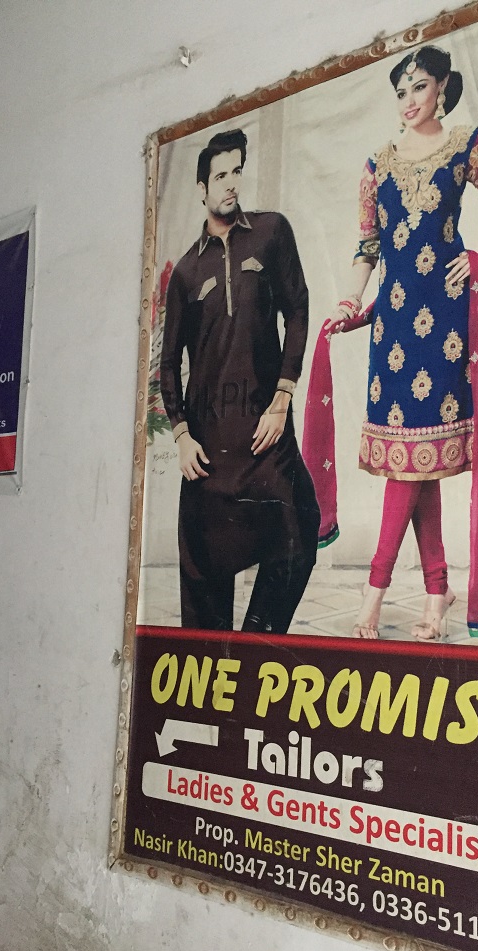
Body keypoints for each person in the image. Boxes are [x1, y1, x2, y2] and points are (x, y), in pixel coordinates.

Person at [325, 47, 478, 641]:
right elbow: (369, 246)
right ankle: (438, 589)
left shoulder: (464, 146)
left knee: (413, 463)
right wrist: (349, 300)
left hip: (443, 322)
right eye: (401, 91)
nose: (409, 100)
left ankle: (375, 590)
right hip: (391, 325)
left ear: (442, 88)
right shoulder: (377, 165)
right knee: (416, 462)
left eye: (419, 87)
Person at [160, 128, 320, 633]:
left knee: (300, 531)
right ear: (202, 187)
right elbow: (168, 363)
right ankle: (217, 674)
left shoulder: (271, 233)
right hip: (208, 446)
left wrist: (283, 396)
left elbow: (298, 309)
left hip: (264, 432)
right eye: (220, 176)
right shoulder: (187, 272)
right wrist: (182, 436)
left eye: (236, 172)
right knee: (204, 571)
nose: (231, 183)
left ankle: (256, 643)